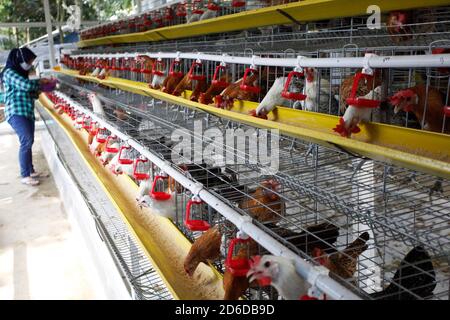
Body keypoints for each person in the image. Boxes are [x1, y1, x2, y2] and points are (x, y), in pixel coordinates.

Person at [0, 47, 52, 186]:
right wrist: (39, 81)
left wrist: (42, 84)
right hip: (16, 112)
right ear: (20, 59)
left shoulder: (24, 72)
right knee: (26, 140)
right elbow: (26, 86)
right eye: (28, 61)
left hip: (27, 111)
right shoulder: (9, 73)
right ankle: (25, 175)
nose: (29, 64)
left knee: (29, 141)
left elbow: (34, 93)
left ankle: (30, 170)